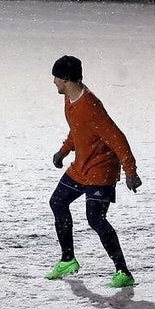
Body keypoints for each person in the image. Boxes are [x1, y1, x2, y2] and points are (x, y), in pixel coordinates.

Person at [45, 55, 142, 288]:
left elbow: (117, 138)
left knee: (95, 219)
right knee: (58, 202)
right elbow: (77, 130)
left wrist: (130, 171)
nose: (54, 83)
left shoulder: (91, 106)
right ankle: (68, 259)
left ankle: (123, 272)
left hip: (101, 169)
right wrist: (64, 151)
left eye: (56, 78)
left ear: (67, 78)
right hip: (82, 165)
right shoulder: (69, 98)